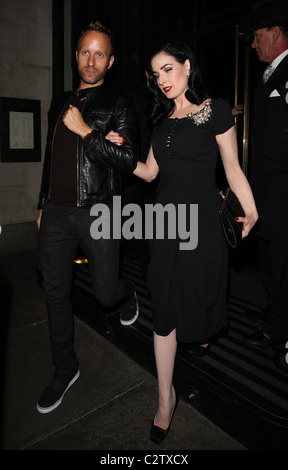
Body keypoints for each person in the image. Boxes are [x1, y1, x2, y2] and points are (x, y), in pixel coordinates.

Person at [129, 40, 258, 443]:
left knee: (199, 302)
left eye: (168, 69)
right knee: (163, 305)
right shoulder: (161, 119)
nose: (161, 79)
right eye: (155, 73)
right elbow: (150, 173)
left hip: (202, 223)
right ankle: (165, 399)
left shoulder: (216, 110)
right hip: (165, 223)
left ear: (187, 66)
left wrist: (250, 210)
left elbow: (232, 169)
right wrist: (115, 153)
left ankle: (199, 331)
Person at [36, 21, 139, 414]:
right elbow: (50, 158)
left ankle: (126, 292)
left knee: (104, 293)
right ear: (76, 55)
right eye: (85, 52)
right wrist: (42, 205)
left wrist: (86, 131)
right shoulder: (58, 101)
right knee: (54, 291)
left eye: (100, 54)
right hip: (58, 213)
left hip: (100, 212)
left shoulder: (119, 104)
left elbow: (128, 160)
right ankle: (65, 368)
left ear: (110, 61)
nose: (91, 60)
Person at [242, 1, 288, 349]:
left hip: (284, 193)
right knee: (270, 260)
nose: (254, 44)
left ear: (276, 33)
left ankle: (278, 329)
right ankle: (274, 311)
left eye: (258, 37)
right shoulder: (267, 74)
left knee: (283, 264)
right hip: (267, 191)